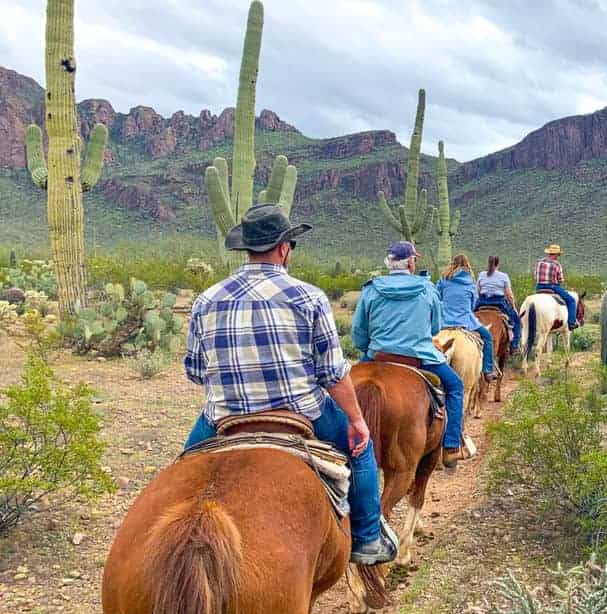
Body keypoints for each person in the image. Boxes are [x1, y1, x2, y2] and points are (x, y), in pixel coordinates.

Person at [183, 204, 396, 565]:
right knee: (361, 451)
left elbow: (196, 370)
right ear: (284, 248)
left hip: (225, 414)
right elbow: (332, 372)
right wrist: (358, 420)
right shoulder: (308, 296)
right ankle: (367, 538)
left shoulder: (206, 299)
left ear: (246, 248)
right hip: (302, 412)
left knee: (181, 471)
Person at [350, 241, 467, 468]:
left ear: (389, 263)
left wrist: (372, 349)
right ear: (411, 262)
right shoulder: (428, 289)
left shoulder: (371, 289)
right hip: (419, 358)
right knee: (455, 386)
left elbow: (358, 333)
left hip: (378, 356)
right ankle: (451, 446)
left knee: (339, 388)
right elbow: (435, 328)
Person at [436, 254, 496, 382]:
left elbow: (437, 298)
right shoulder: (470, 283)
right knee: (487, 337)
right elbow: (474, 304)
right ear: (467, 265)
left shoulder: (443, 281)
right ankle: (487, 370)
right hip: (465, 321)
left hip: (443, 321)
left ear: (452, 265)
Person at [476, 255, 521, 353]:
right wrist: (513, 307)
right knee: (516, 320)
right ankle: (514, 345)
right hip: (498, 302)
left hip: (482, 301)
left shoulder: (482, 274)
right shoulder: (503, 276)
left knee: (469, 317)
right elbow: (509, 295)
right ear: (498, 264)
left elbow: (478, 291)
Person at [534, 243, 579, 330]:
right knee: (571, 301)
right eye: (558, 254)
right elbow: (560, 280)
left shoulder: (539, 262)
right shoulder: (556, 264)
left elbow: (535, 276)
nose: (558, 256)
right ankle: (572, 323)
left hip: (539, 287)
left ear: (549, 253)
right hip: (552, 287)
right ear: (556, 254)